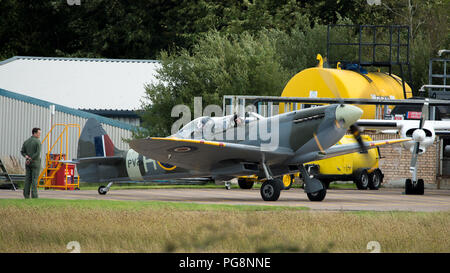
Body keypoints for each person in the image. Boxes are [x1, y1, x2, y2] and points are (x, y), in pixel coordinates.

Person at [20, 128, 42, 199]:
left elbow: (22, 152)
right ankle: (34, 196)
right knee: (34, 179)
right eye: (39, 133)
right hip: (35, 162)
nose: (39, 135)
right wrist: (31, 159)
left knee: (27, 179)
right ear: (34, 133)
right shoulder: (37, 142)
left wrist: (27, 157)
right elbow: (37, 153)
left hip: (27, 163)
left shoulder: (26, 141)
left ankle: (26, 195)